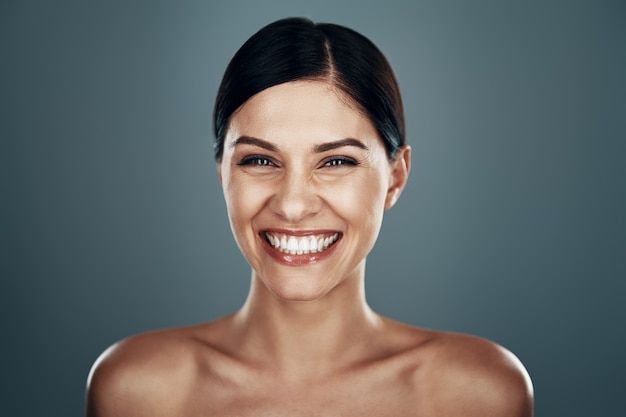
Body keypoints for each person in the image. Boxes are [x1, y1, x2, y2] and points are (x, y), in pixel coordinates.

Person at [85, 17, 533, 416]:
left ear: (395, 178)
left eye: (336, 162)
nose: (293, 205)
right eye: (259, 160)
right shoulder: (139, 390)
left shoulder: (475, 394)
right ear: (222, 173)